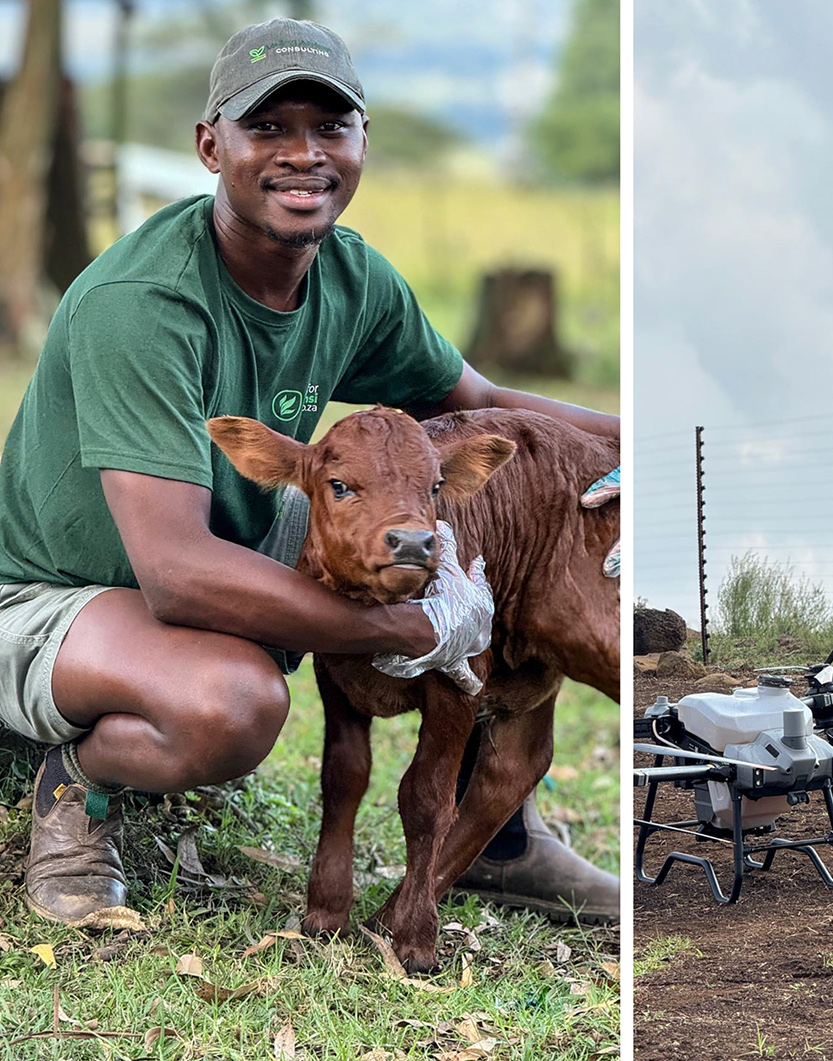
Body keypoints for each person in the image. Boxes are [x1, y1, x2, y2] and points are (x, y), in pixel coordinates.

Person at [0, 19, 618, 929]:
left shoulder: (352, 278)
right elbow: (174, 571)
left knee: (486, 533)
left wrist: (622, 455)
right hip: (55, 592)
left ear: (363, 142)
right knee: (231, 704)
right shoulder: (144, 305)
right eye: (269, 128)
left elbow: (481, 397)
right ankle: (73, 787)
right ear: (212, 145)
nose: (304, 155)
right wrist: (417, 620)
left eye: (330, 128)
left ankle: (499, 827)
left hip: (232, 536)